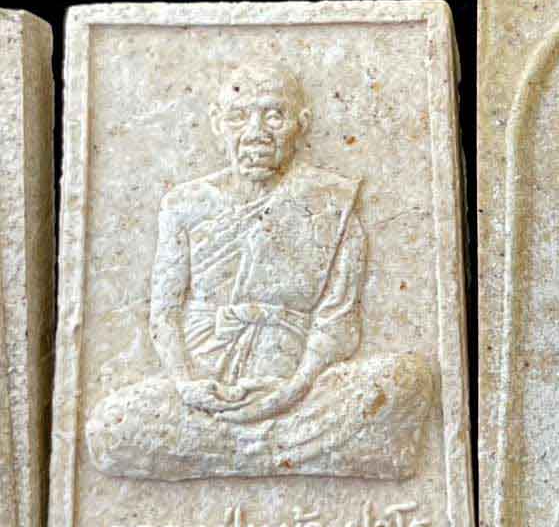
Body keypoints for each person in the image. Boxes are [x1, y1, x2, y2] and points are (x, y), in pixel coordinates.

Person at [86, 62, 434, 481]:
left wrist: (294, 387)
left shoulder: (331, 203)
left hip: (300, 388)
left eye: (274, 115)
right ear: (217, 122)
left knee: (405, 380)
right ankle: (293, 453)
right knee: (110, 426)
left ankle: (234, 452)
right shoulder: (185, 204)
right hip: (204, 392)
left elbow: (338, 322)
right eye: (239, 116)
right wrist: (185, 384)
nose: (256, 132)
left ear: (301, 123)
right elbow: (164, 312)